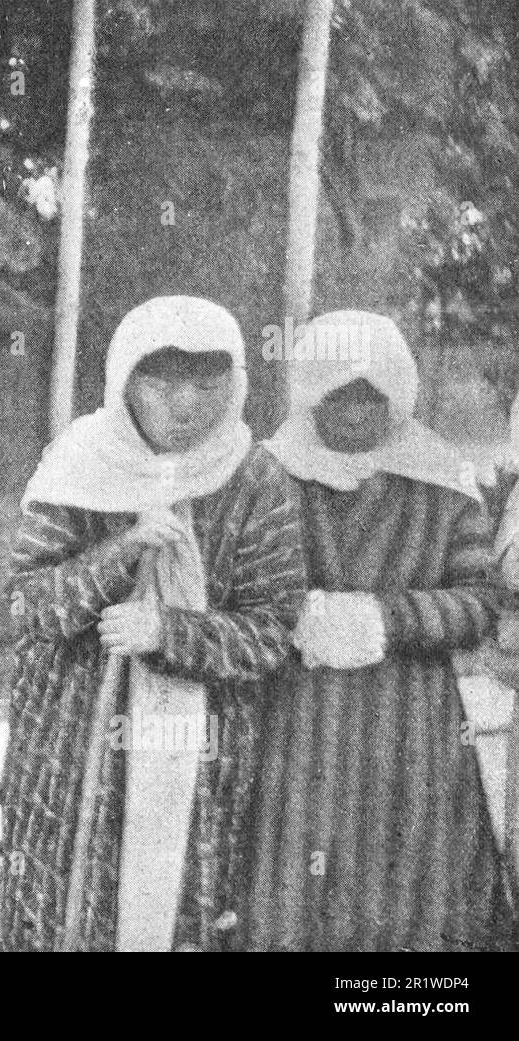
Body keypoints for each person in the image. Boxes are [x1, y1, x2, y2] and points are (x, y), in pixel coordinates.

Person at [2, 296, 307, 952]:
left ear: (235, 383)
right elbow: (23, 608)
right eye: (162, 383)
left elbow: (273, 628)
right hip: (77, 734)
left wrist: (168, 632)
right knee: (75, 901)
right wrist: (123, 549)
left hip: (203, 739)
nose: (185, 404)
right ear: (125, 380)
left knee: (184, 903)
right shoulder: (82, 458)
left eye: (206, 383)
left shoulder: (255, 479)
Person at [245, 310, 517, 951]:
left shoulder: (442, 482)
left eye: (371, 395)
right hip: (297, 716)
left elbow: (481, 601)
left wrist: (385, 620)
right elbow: (234, 585)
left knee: (411, 888)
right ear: (310, 394)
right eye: (337, 394)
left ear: (397, 395)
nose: (355, 412)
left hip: (412, 720)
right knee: (296, 874)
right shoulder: (266, 475)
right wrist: (293, 616)